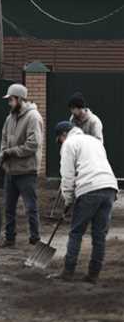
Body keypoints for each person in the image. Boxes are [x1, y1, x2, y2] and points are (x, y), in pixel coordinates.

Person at [54, 121, 118, 284]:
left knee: (76, 232)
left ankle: (68, 272)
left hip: (89, 188)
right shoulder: (94, 141)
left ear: (63, 135)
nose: (60, 143)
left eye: (59, 140)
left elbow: (67, 176)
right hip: (109, 187)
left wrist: (68, 199)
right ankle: (93, 275)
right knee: (99, 235)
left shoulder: (69, 143)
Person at [0, 83, 44, 248]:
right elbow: (3, 139)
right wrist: (2, 155)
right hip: (10, 171)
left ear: (19, 99)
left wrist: (12, 152)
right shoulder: (9, 118)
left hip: (26, 170)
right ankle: (9, 238)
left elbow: (33, 144)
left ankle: (35, 239)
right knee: (8, 208)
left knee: (30, 207)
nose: (9, 103)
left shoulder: (33, 117)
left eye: (11, 99)